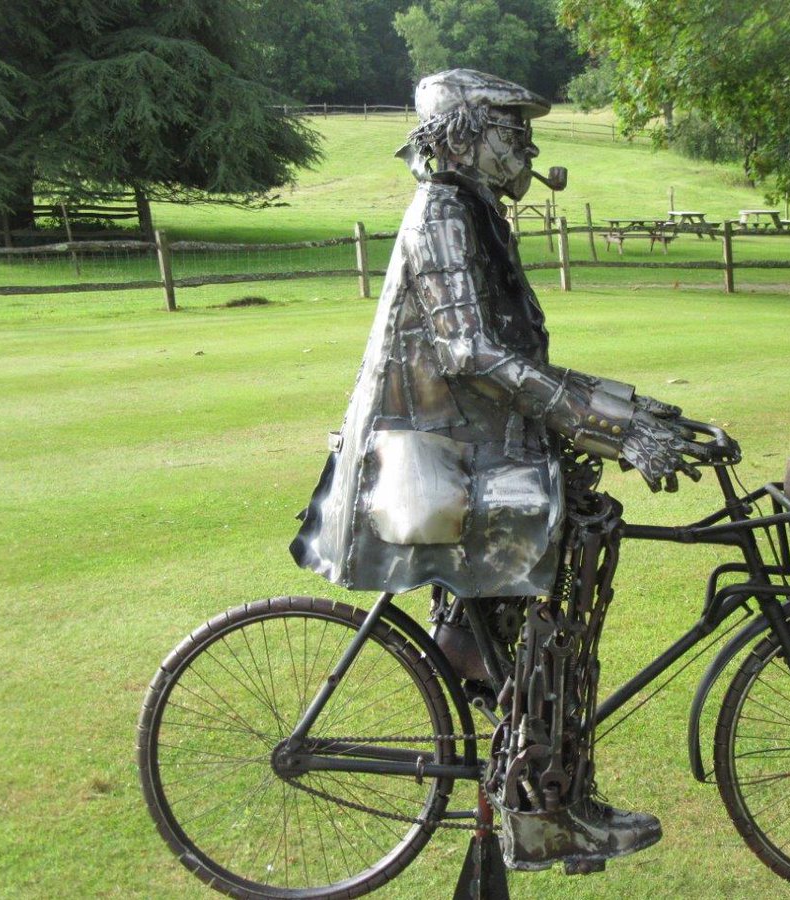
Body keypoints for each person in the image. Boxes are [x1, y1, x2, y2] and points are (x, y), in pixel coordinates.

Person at [289, 68, 706, 873]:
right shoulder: (445, 212)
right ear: (463, 133)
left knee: (580, 545)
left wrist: (630, 412)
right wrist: (610, 424)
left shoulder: (475, 214)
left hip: (471, 452)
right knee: (568, 576)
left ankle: (533, 762)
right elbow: (470, 351)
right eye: (512, 130)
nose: (528, 146)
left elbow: (506, 359)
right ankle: (542, 810)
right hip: (437, 464)